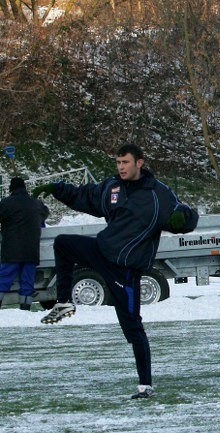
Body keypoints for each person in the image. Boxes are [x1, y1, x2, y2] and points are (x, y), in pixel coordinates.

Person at [32, 144, 198, 399]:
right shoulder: (113, 187)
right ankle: (64, 303)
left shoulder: (157, 194)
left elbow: (184, 215)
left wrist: (182, 220)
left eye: (125, 162)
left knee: (133, 329)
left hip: (126, 270)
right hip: (101, 250)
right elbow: (85, 196)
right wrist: (58, 190)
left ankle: (145, 386)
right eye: (118, 162)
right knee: (63, 243)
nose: (120, 167)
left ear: (139, 163)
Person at [0, 177, 50, 310]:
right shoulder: (36, 203)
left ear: (11, 189)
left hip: (11, 250)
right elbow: (45, 213)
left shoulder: (6, 203)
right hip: (31, 250)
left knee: (4, 279)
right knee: (28, 281)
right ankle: (25, 308)